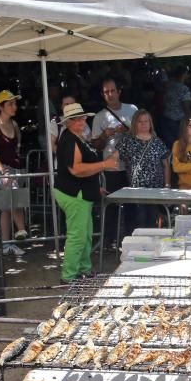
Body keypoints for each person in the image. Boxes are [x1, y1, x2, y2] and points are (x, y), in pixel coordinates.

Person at [55, 103, 117, 281]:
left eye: (82, 117)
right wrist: (104, 164)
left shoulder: (77, 137)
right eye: (76, 119)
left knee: (85, 234)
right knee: (78, 236)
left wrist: (94, 186)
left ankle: (84, 269)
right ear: (68, 122)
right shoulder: (69, 140)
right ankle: (68, 276)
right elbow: (76, 169)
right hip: (75, 194)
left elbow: (81, 170)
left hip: (82, 193)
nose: (81, 121)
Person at [91, 78, 138, 247]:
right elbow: (96, 145)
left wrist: (128, 131)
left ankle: (131, 239)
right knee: (111, 206)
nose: (109, 94)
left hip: (133, 167)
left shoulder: (132, 109)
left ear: (119, 91)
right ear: (103, 95)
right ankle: (108, 240)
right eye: (106, 92)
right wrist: (105, 135)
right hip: (111, 168)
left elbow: (144, 134)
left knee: (132, 206)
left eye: (112, 91)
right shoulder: (99, 117)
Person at [0, 90, 29, 257]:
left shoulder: (15, 124)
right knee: (14, 192)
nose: (14, 106)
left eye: (14, 103)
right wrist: (3, 171)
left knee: (6, 208)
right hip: (0, 169)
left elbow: (17, 146)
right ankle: (21, 229)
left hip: (16, 168)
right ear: (0, 106)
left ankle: (5, 244)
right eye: (10, 103)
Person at [159, 65, 191, 147]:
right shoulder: (184, 89)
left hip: (166, 118)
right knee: (180, 145)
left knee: (168, 145)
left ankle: (169, 159)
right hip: (178, 120)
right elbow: (186, 106)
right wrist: (189, 120)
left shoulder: (169, 86)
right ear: (184, 75)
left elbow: (163, 101)